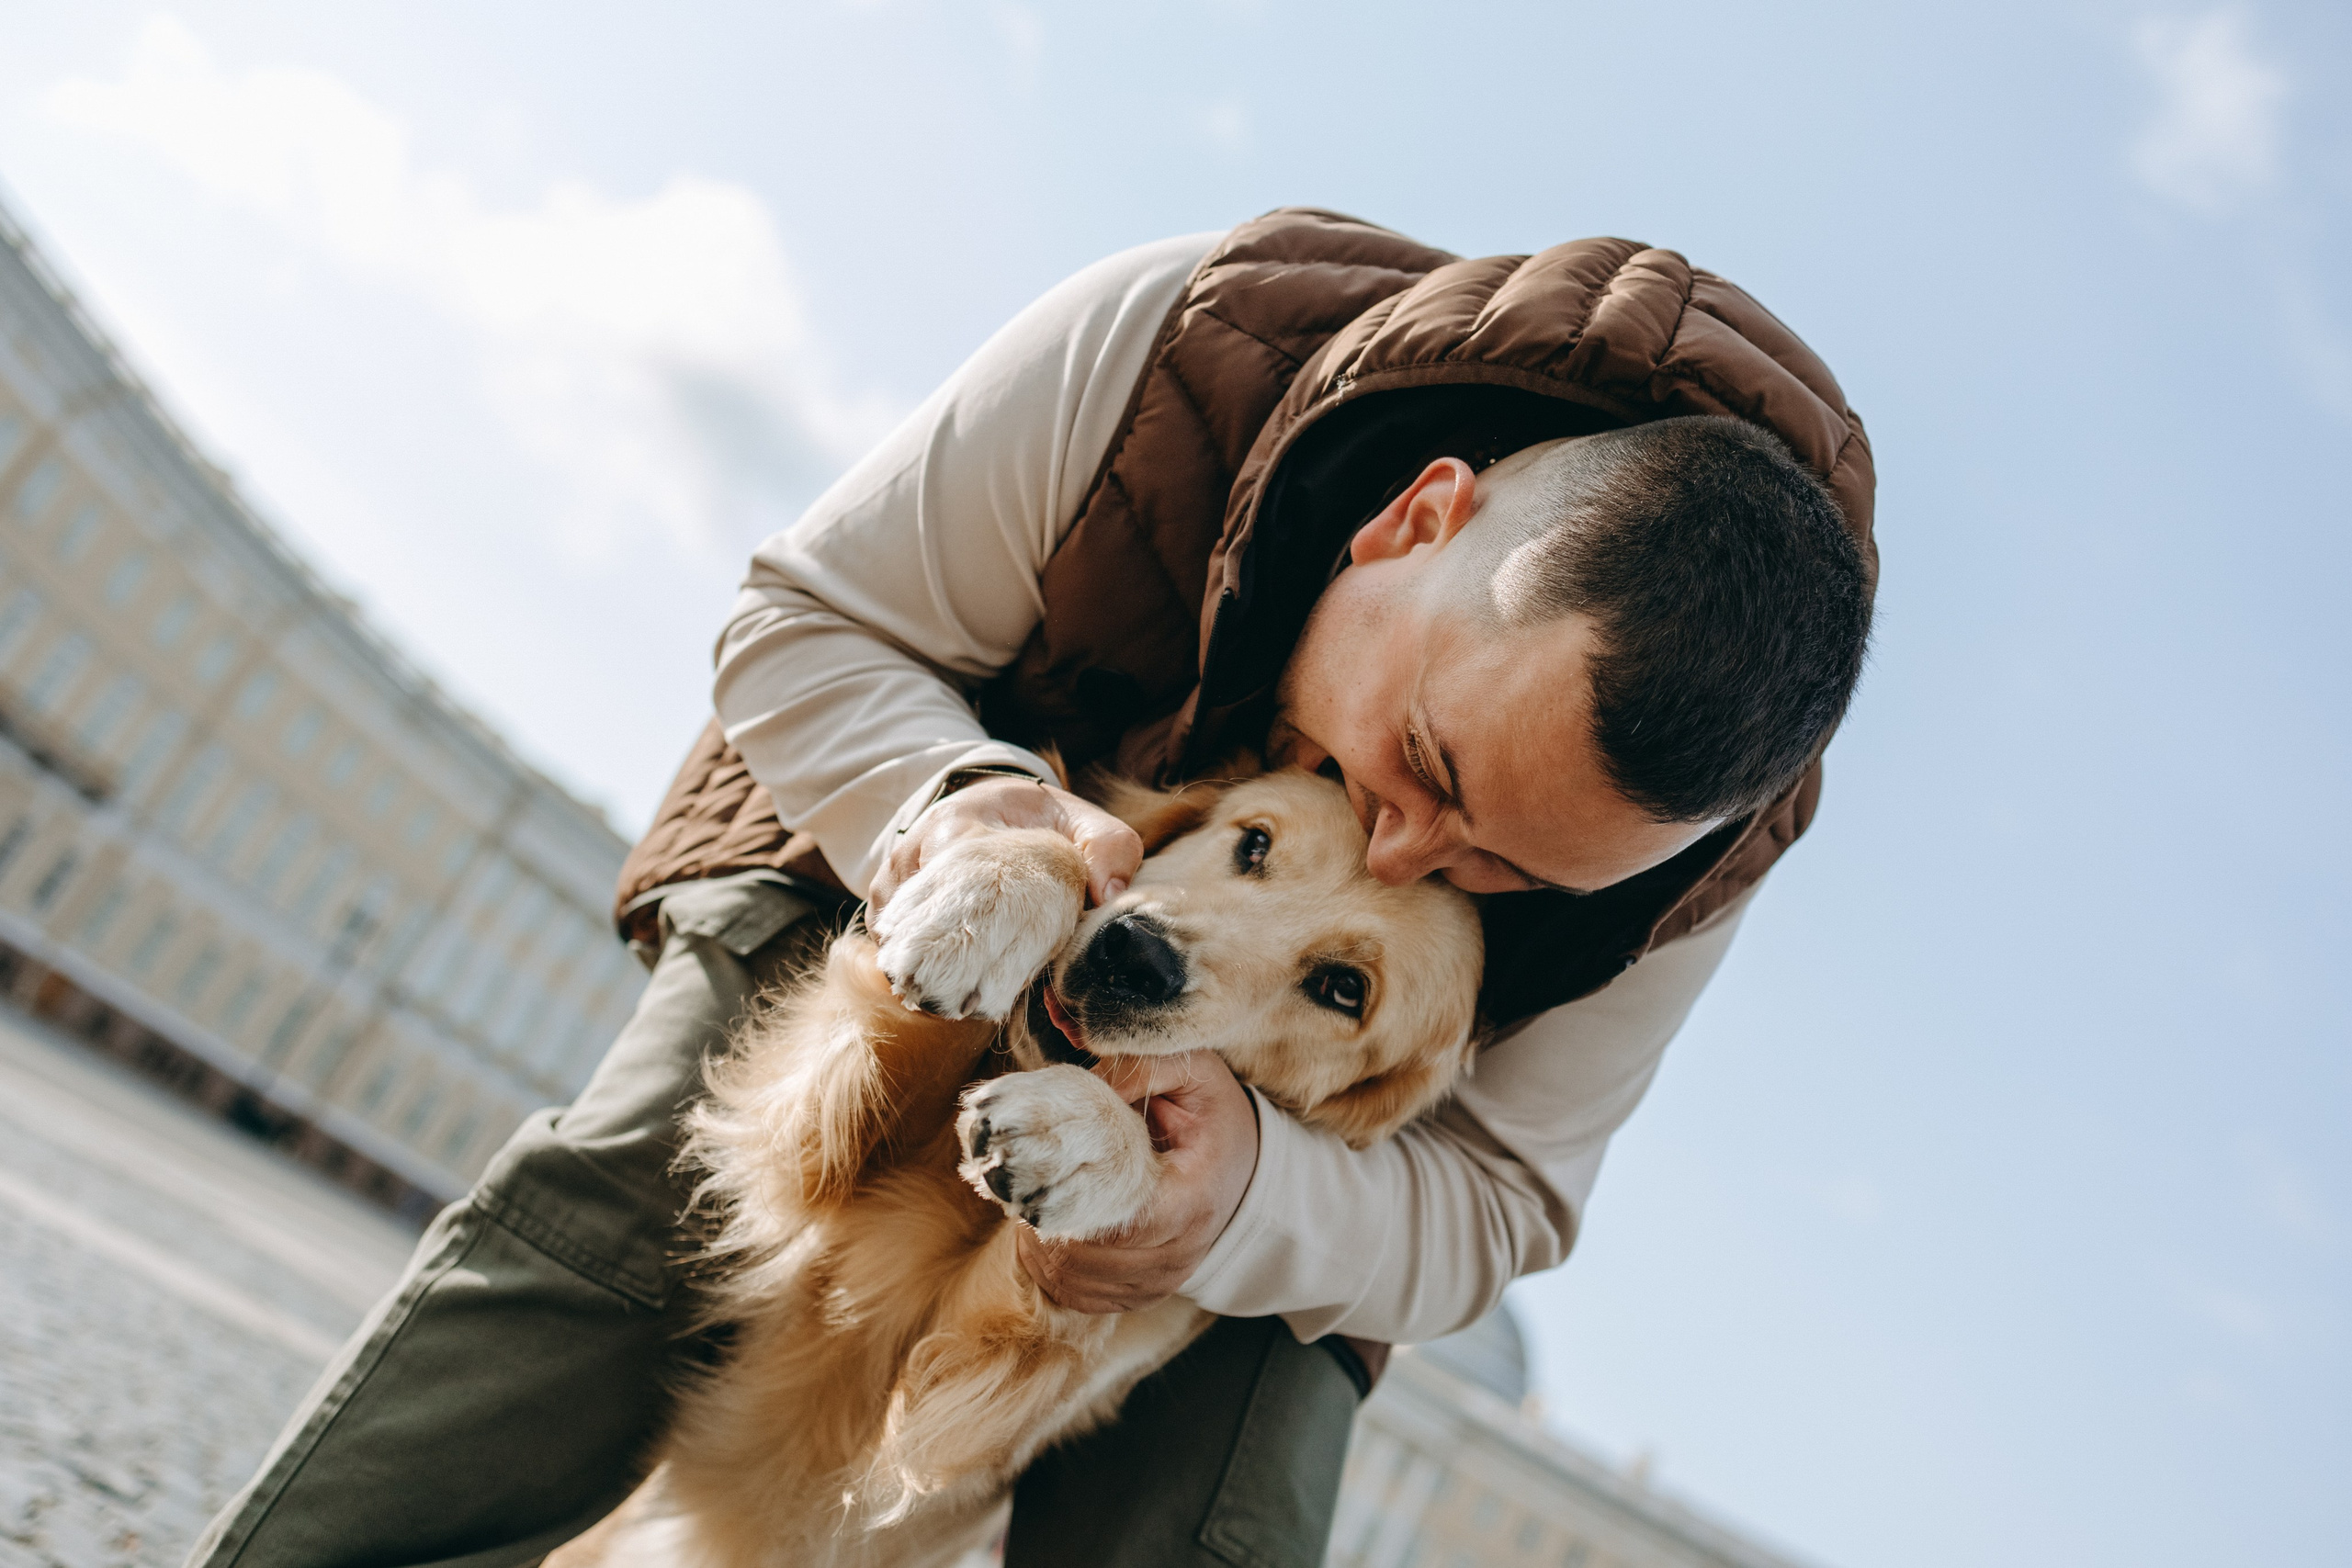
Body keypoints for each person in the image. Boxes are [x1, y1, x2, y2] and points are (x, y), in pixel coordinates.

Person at [190, 209, 1874, 1568]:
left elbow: (1499, 1192)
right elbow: (808, 625)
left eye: (1511, 874)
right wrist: (971, 816)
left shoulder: (1696, 847)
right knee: (634, 1195)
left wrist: (1236, 1207)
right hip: (883, 824)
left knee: (1227, 1478)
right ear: (1410, 523)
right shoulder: (1161, 344)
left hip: (1278, 1121)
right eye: (1430, 768)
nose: (1418, 855)